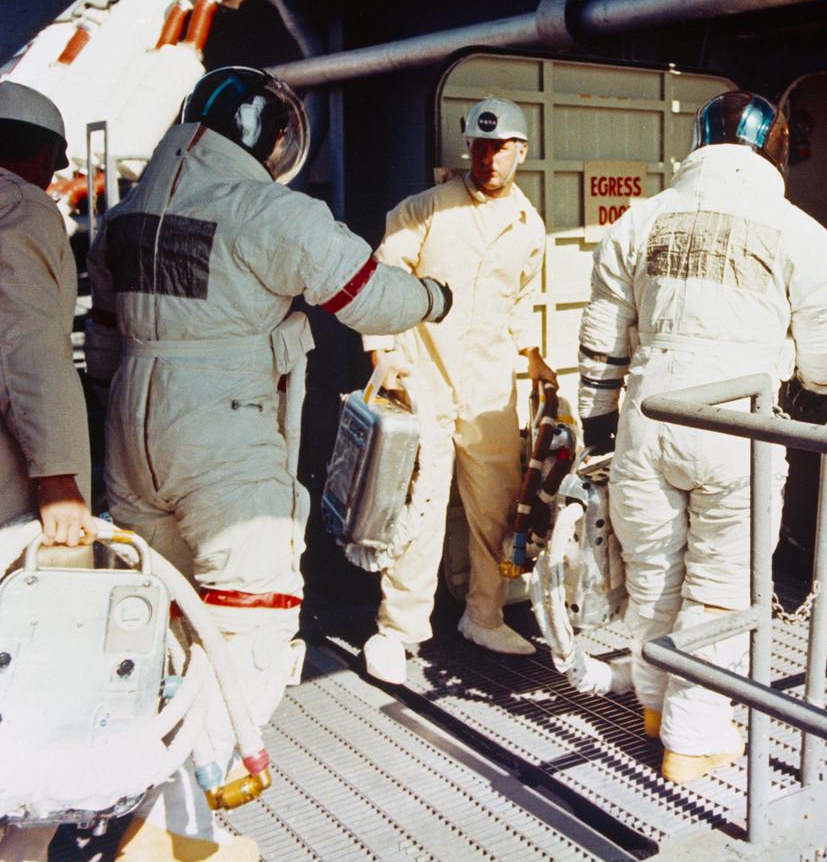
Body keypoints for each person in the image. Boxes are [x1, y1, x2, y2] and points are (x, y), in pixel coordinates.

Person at [86, 66, 451, 731]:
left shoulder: (126, 216)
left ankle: (156, 766)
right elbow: (371, 297)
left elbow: (105, 346)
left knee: (159, 611)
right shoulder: (265, 211)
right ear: (264, 139)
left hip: (129, 431)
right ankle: (213, 769)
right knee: (249, 619)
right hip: (222, 433)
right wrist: (434, 297)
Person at [578, 91, 827, 784]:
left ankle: (653, 705)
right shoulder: (803, 235)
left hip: (648, 416)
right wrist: (794, 368)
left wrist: (596, 419)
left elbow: (603, 337)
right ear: (774, 149)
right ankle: (694, 736)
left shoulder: (638, 220)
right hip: (740, 424)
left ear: (698, 142)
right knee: (721, 586)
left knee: (654, 574)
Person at [361, 95, 555, 684]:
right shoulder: (425, 210)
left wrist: (535, 357)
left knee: (498, 508)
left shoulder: (529, 226)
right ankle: (398, 630)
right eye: (480, 146)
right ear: (468, 147)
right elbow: (382, 282)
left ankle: (484, 616)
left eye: (501, 148)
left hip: (489, 386)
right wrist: (382, 352)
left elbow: (520, 301)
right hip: (426, 377)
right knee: (418, 507)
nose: (489, 158)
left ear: (521, 151)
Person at [0, 81, 97, 862]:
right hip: (12, 478)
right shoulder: (21, 210)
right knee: (41, 659)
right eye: (57, 160)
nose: (59, 175)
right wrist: (58, 476)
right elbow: (29, 345)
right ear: (34, 153)